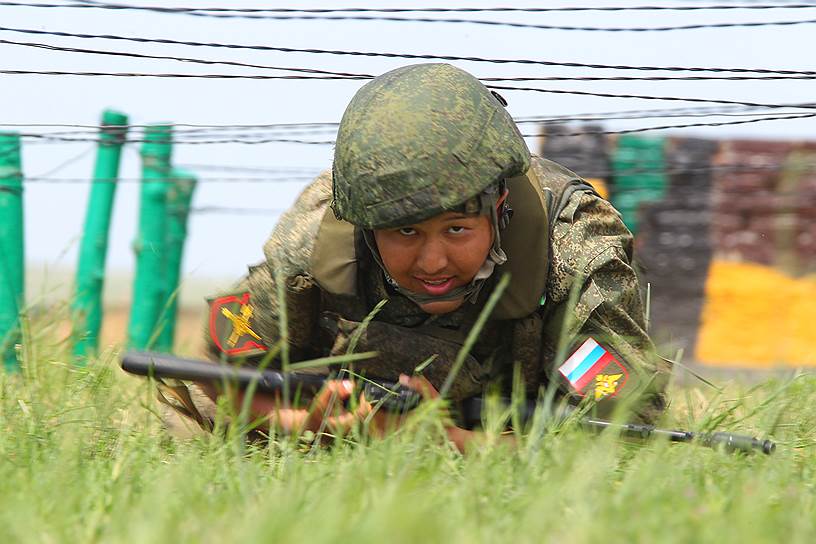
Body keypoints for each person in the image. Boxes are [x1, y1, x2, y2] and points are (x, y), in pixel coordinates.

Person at [164, 63, 670, 450]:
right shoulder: (318, 237)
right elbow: (223, 381)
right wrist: (310, 423)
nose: (432, 262)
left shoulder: (572, 248)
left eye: (456, 229)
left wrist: (446, 443)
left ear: (499, 208)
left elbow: (623, 438)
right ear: (366, 225)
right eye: (404, 232)